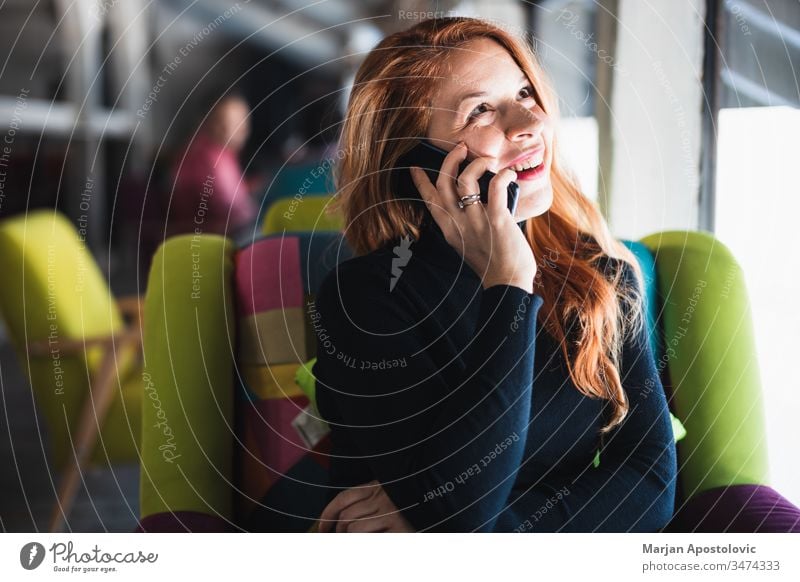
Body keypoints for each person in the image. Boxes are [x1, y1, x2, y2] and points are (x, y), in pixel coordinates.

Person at [311, 16, 677, 533]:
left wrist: (489, 534)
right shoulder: (365, 299)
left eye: (526, 91)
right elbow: (455, 511)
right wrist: (508, 284)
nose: (528, 119)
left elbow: (650, 482)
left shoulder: (601, 276)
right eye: (480, 109)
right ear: (414, 159)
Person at [167, 91, 258, 238]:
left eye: (244, 120)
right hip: (210, 240)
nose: (243, 129)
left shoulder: (222, 151)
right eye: (232, 122)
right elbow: (232, 212)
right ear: (209, 122)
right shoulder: (207, 157)